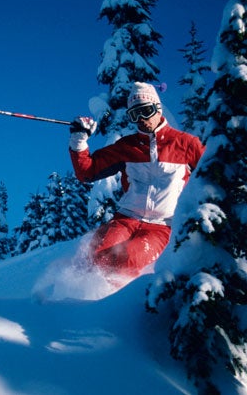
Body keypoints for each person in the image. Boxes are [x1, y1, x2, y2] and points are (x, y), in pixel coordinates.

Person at [69, 82, 204, 283]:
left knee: (127, 259)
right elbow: (87, 172)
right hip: (126, 218)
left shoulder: (186, 144)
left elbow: (212, 172)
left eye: (146, 111)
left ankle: (113, 304)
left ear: (158, 108)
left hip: (162, 225)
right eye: (134, 115)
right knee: (95, 252)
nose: (141, 119)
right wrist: (79, 140)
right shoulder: (127, 147)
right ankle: (72, 301)